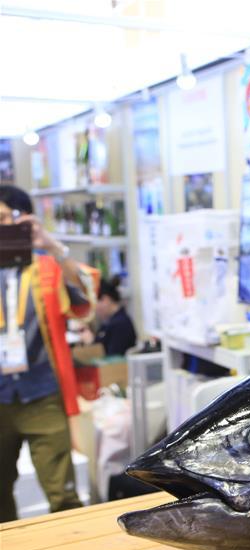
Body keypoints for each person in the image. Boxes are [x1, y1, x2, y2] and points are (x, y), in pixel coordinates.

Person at [0, 185, 99, 522]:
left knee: (63, 496)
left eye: (2, 220)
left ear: (22, 220)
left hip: (42, 392)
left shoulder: (46, 267)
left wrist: (54, 247)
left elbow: (85, 305)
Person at [86, 277, 137, 356]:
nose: (95, 309)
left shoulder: (120, 324)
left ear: (105, 299)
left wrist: (91, 342)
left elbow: (112, 359)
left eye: (95, 303)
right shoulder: (109, 322)